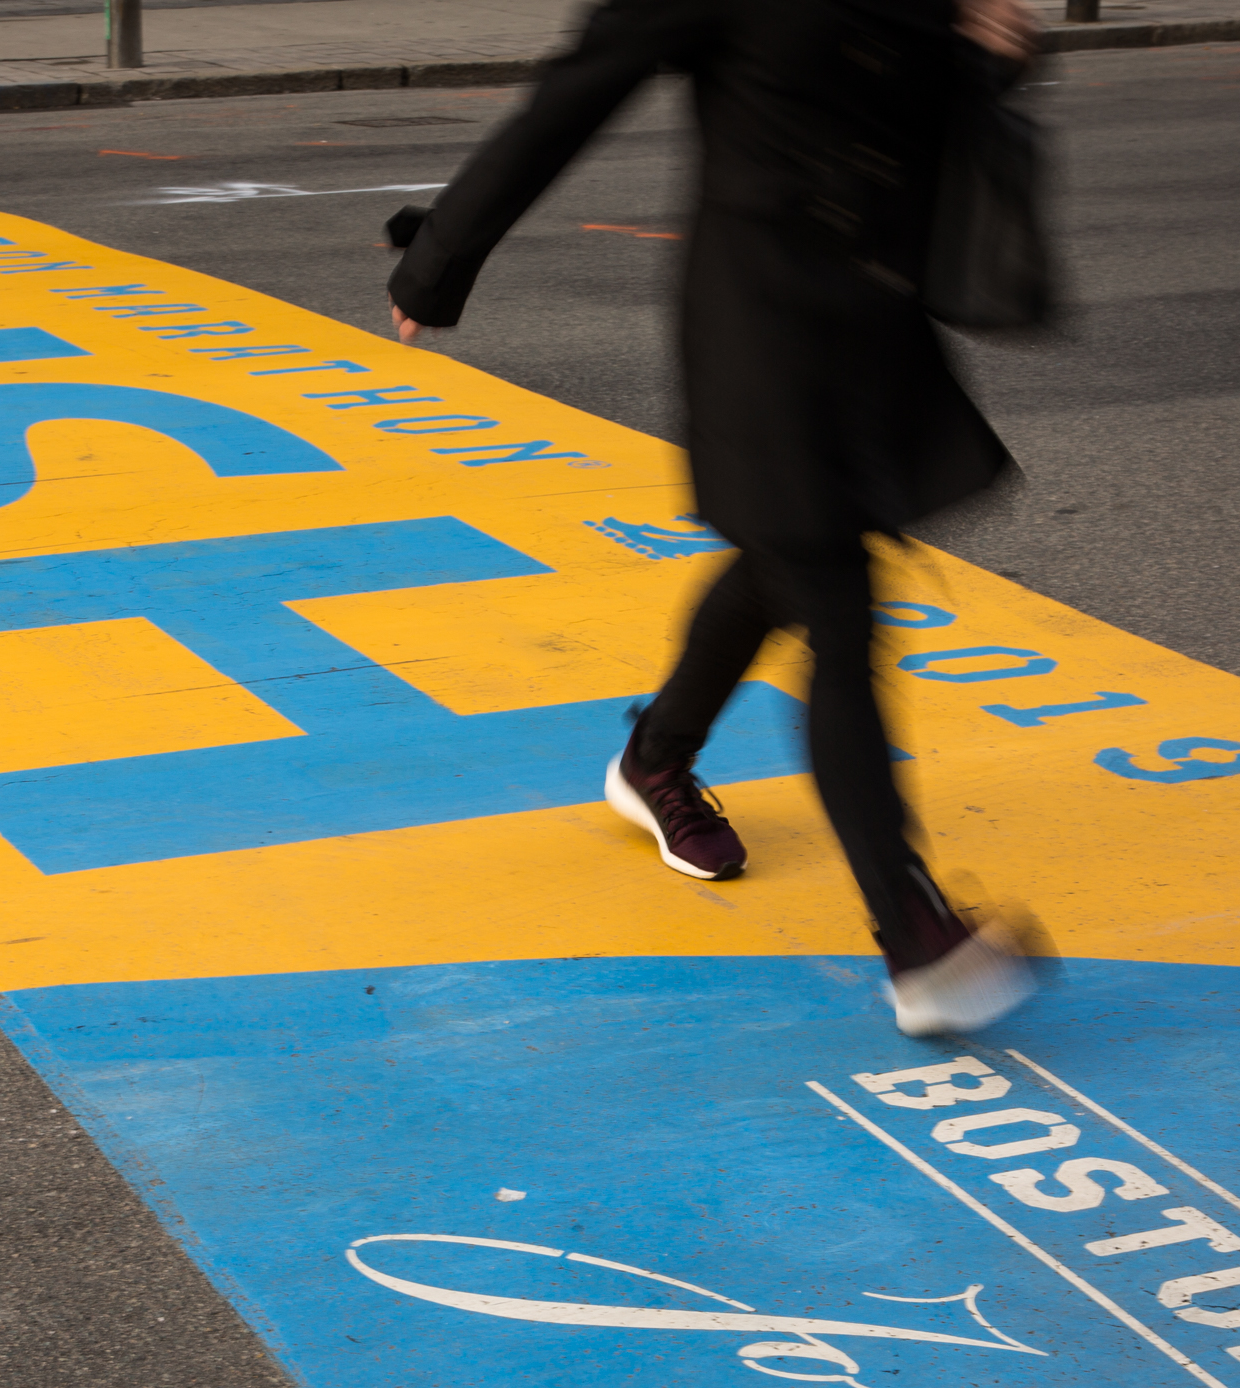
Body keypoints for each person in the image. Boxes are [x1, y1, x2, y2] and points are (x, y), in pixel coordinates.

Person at [388, 0, 1043, 1037]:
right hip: (761, 332)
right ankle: (915, 935)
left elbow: (908, 115)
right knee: (836, 601)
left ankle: (654, 756)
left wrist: (986, 56)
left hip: (871, 328)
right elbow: (574, 95)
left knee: (790, 561)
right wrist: (440, 261)